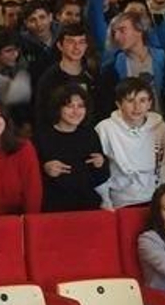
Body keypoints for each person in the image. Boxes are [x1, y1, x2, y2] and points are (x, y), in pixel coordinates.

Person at [95, 77, 165, 209]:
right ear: (119, 104)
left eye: (143, 100)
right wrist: (105, 200)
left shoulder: (162, 129)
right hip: (121, 200)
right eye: (130, 101)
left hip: (156, 198)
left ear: (150, 103)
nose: (137, 107)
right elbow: (98, 169)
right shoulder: (105, 128)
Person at [35, 84, 109, 212]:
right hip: (54, 207)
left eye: (80, 106)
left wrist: (101, 164)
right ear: (58, 108)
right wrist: (45, 170)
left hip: (88, 205)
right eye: (69, 106)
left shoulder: (89, 134)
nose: (76, 111)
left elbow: (101, 177)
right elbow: (30, 180)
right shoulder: (41, 137)